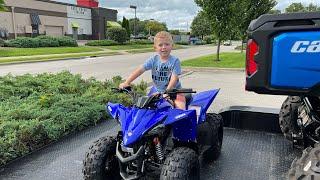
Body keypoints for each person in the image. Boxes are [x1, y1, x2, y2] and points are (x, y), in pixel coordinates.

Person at [119, 31, 186, 110]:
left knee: (180, 111)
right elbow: (140, 70)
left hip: (175, 92)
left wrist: (167, 91)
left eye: (167, 44)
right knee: (145, 108)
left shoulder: (175, 61)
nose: (164, 47)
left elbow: (174, 78)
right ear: (155, 48)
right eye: (160, 45)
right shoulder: (153, 60)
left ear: (172, 46)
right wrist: (127, 82)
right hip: (158, 91)